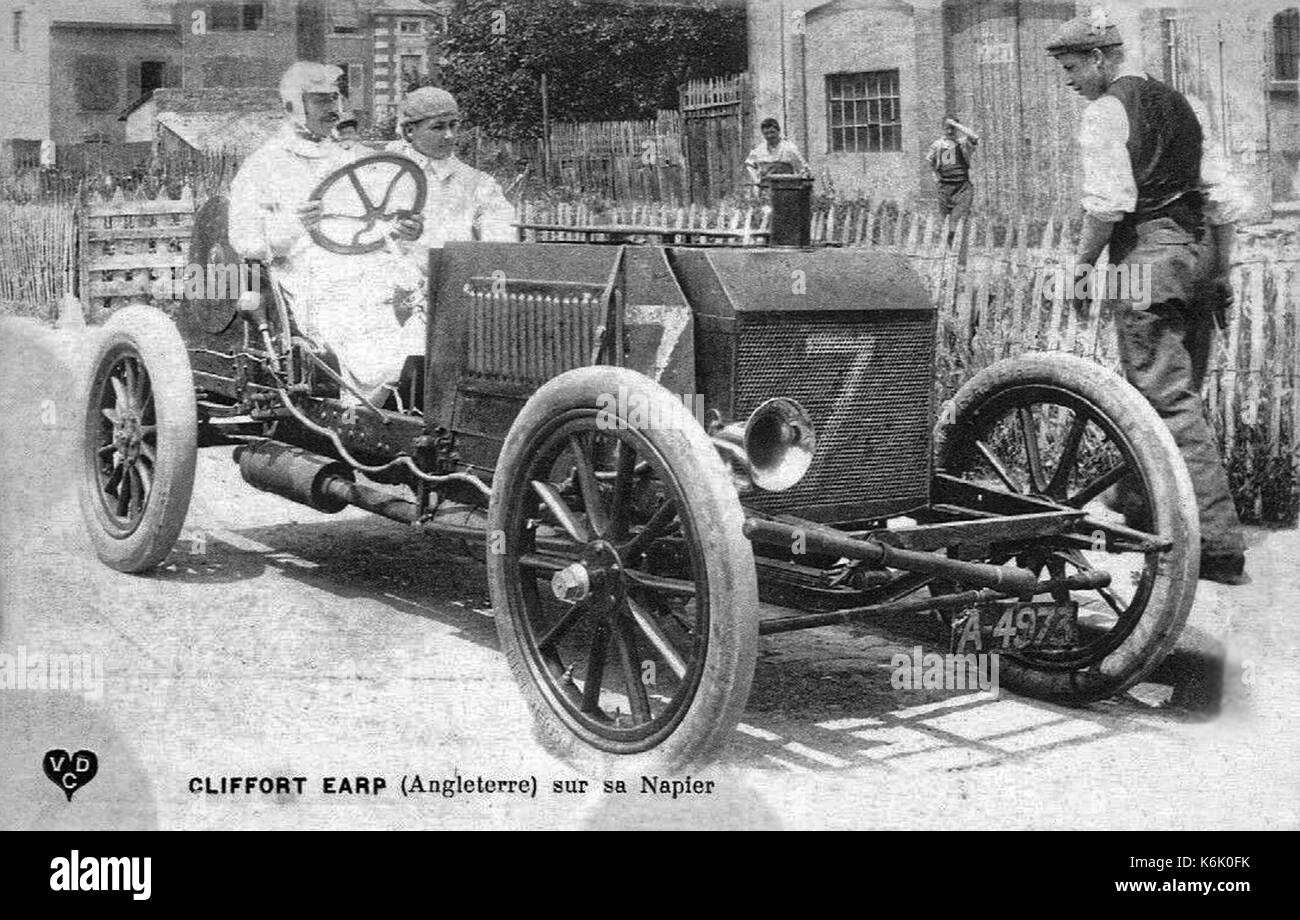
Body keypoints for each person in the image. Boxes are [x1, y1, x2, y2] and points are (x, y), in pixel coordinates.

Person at [1047, 8, 1248, 584]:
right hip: (1197, 253)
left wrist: (1083, 268)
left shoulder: (1105, 113)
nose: (1069, 80)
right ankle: (1141, 504)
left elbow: (1106, 205)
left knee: (1164, 399)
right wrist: (1221, 274)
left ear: (1103, 59)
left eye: (1073, 67)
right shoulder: (1186, 107)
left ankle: (1217, 547)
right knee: (1170, 389)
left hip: (1145, 259)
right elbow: (1224, 201)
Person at [228, 62, 425, 403]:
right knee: (360, 323)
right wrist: (293, 225)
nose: (334, 109)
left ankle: (412, 390)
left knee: (422, 302)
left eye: (335, 98)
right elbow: (245, 240)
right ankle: (374, 403)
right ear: (292, 107)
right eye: (321, 101)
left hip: (364, 261)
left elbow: (376, 215)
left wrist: (405, 229)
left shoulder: (348, 157)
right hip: (304, 274)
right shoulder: (264, 164)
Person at [386, 87, 516, 264]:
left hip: (453, 283)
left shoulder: (479, 184)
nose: (449, 135)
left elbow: (501, 247)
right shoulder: (381, 174)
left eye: (453, 125)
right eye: (438, 127)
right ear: (410, 131)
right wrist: (389, 229)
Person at [926, 116, 979, 222]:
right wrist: (935, 178)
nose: (950, 131)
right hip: (945, 187)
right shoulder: (937, 145)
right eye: (947, 128)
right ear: (942, 129)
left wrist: (956, 124)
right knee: (945, 223)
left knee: (960, 220)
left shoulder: (963, 143)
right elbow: (930, 162)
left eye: (952, 128)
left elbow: (975, 136)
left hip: (962, 187)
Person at [745, 118, 809, 190]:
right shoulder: (759, 149)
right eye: (766, 133)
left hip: (786, 189)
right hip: (765, 189)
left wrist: (801, 181)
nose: (769, 136)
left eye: (772, 132)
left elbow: (803, 168)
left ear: (778, 131)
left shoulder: (789, 148)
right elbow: (749, 165)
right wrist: (756, 179)